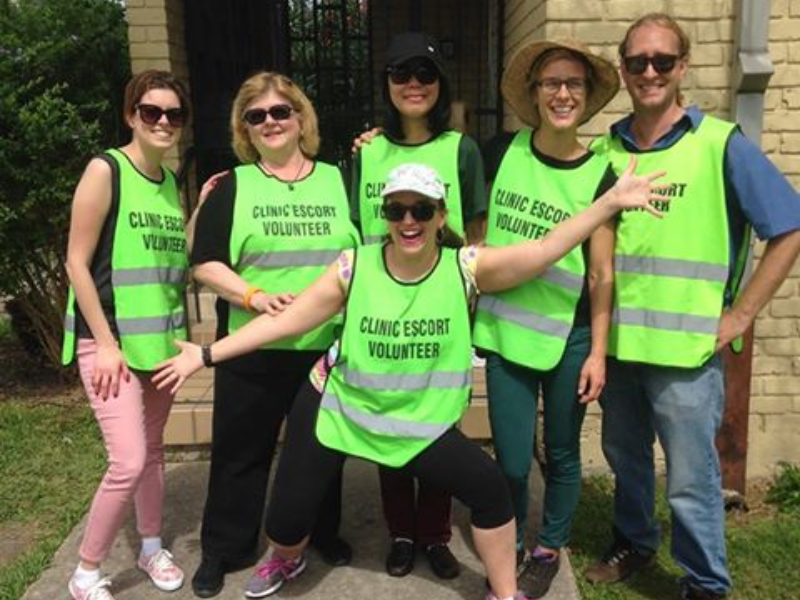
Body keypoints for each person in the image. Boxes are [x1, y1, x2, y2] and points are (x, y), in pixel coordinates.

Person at [154, 161, 664, 600]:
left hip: (418, 421)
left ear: (442, 216)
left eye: (421, 209)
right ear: (385, 217)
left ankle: (503, 590)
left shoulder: (466, 267)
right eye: (396, 209)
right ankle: (288, 557)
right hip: (340, 407)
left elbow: (547, 249)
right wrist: (207, 352)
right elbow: (286, 320)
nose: (408, 220)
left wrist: (609, 202)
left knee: (491, 492)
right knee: (285, 523)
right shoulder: (354, 266)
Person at [584, 13, 800, 600]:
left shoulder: (720, 143)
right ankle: (635, 540)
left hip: (687, 354)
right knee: (624, 457)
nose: (649, 72)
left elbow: (788, 227)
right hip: (622, 347)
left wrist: (742, 315)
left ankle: (705, 582)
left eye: (661, 61)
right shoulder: (607, 150)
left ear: (683, 67)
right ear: (625, 70)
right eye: (637, 62)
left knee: (689, 480)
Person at [188, 71, 359, 598]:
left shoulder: (341, 178)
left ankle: (320, 534)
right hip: (254, 345)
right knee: (240, 453)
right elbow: (205, 263)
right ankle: (224, 548)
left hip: (323, 347)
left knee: (321, 450)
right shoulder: (231, 185)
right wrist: (252, 296)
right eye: (256, 115)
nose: (270, 122)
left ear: (301, 118)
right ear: (245, 127)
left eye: (280, 111)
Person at [473, 38, 620, 599]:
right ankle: (507, 542)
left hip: (571, 334)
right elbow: (476, 234)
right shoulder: (499, 151)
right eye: (551, 83)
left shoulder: (600, 176)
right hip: (506, 331)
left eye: (574, 84)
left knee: (560, 452)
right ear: (533, 95)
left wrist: (599, 352)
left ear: (586, 96)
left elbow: (602, 276)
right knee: (511, 459)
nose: (562, 93)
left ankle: (547, 547)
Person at [350, 30, 488, 580]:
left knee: (436, 426)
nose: (413, 84)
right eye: (400, 73)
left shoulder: (463, 150)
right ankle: (400, 532)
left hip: (441, 308)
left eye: (425, 74)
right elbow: (359, 232)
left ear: (440, 84)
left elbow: (476, 238)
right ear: (386, 83)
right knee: (388, 424)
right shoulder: (366, 152)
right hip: (379, 307)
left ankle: (434, 533)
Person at [62, 70, 191, 600]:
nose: (162, 121)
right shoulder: (105, 169)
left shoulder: (167, 183)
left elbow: (165, 260)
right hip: (110, 343)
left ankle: (151, 545)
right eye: (151, 112)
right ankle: (85, 571)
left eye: (173, 114)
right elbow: (75, 262)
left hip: (158, 343)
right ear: (130, 116)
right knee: (129, 461)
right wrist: (107, 344)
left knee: (154, 453)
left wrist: (199, 207)